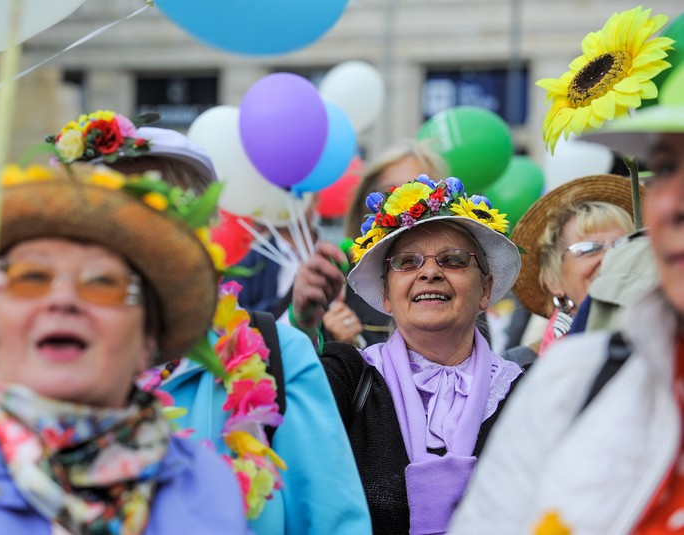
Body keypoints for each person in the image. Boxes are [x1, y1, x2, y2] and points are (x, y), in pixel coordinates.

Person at [0, 3, 372, 533]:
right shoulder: (7, 333)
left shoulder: (258, 382)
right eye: (94, 212)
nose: (116, 234)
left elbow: (332, 520)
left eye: (152, 210)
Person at [0, 160, 251, 533]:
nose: (64, 300)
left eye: (103, 282)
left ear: (147, 342)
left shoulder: (205, 488)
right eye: (31, 277)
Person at [446, 79, 684, 534]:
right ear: (552, 277)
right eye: (667, 167)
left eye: (621, 243)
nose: (674, 203)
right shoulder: (568, 379)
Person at [291, 176, 526, 533]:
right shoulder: (351, 374)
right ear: (386, 295)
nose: (430, 272)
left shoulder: (528, 391)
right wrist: (303, 327)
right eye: (407, 262)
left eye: (453, 260)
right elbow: (281, 413)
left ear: (486, 290)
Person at [327, 140, 450, 348]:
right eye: (391, 193)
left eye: (418, 192)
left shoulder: (458, 273)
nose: (405, 207)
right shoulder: (335, 273)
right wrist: (337, 346)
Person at [509, 174, 637, 357]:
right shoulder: (519, 371)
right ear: (554, 280)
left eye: (623, 244)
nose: (610, 257)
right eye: (589, 249)